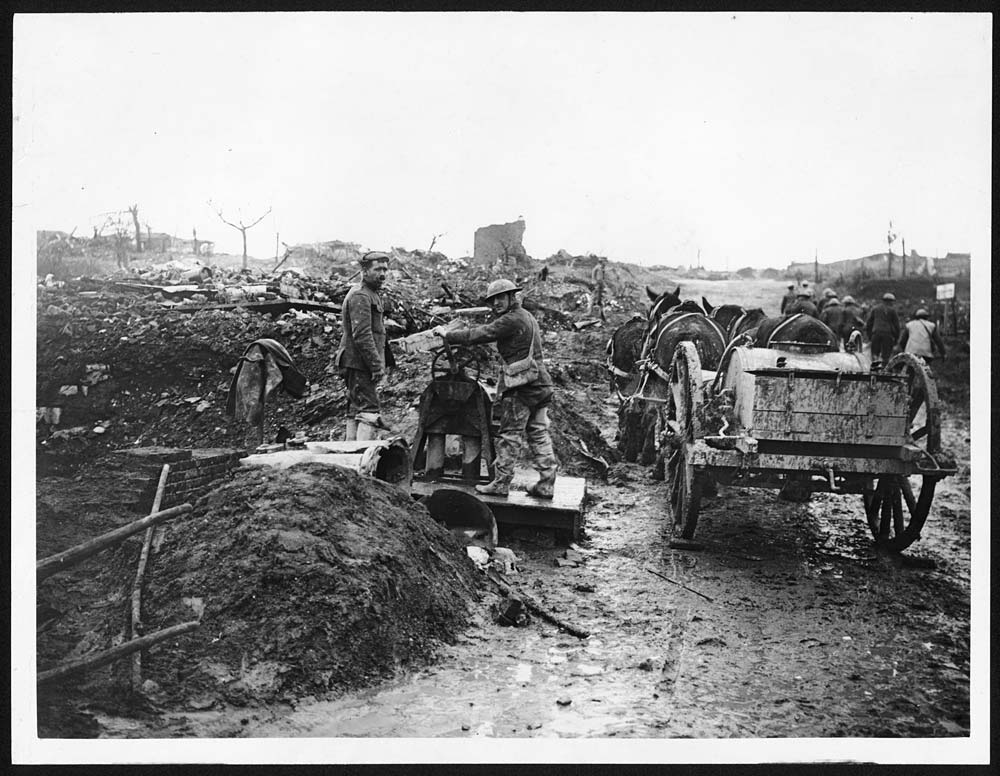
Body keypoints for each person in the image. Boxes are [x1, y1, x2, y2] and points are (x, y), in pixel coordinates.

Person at [432, 279, 559, 498]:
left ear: (512, 297)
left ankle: (501, 483)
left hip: (521, 388)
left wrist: (448, 335)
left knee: (510, 436)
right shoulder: (527, 317)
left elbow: (480, 335)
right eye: (493, 300)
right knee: (538, 433)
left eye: (501, 298)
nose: (496, 303)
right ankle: (547, 483)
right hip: (540, 384)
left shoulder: (511, 319)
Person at [335, 251, 390, 440]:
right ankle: (361, 462)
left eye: (385, 269)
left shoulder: (371, 294)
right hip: (359, 362)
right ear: (364, 271)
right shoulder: (360, 296)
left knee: (355, 408)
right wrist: (376, 365)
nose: (383, 274)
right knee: (369, 410)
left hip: (359, 362)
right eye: (378, 269)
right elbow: (362, 335)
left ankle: (350, 457)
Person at [865, 291, 901, 364]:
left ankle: (874, 370)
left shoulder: (875, 309)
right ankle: (884, 371)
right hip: (888, 335)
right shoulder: (893, 311)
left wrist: (869, 336)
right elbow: (897, 326)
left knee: (875, 354)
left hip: (876, 333)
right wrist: (896, 339)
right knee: (886, 356)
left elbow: (869, 323)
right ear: (891, 301)